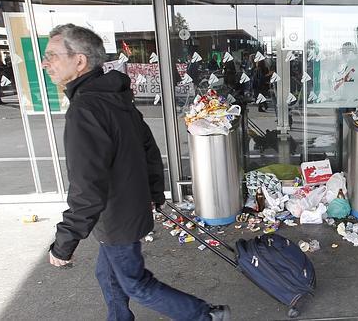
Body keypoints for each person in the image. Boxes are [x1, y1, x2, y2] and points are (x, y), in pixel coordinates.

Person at [44, 24, 229, 321]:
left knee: (135, 283)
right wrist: (155, 193)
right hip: (125, 211)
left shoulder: (87, 108)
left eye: (52, 55)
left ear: (79, 61)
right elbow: (149, 149)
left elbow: (87, 186)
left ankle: (204, 315)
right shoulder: (114, 97)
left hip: (116, 216)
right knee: (108, 275)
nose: (45, 62)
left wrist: (64, 244)